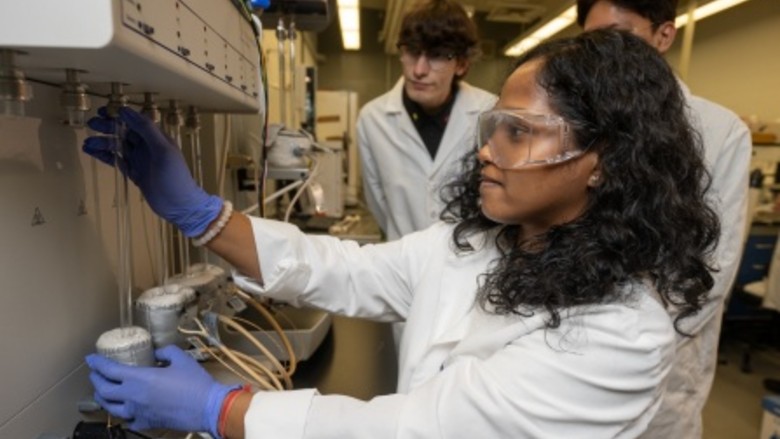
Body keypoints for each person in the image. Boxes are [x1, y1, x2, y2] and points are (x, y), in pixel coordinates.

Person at [83, 30, 720, 438]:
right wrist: (201, 215)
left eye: (519, 131)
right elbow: (345, 269)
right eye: (494, 125)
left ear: (605, 156)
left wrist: (221, 411)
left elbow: (415, 430)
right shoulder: (480, 241)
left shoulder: (619, 330)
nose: (489, 150)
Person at [576, 1, 752, 437]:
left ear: (664, 35)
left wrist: (636, 343)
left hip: (665, 360)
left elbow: (714, 266)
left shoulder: (719, 131)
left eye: (621, 35)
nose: (605, 54)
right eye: (592, 39)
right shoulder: (575, 118)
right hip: (572, 348)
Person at [356, 0, 497, 241]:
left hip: (468, 265)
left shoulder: (489, 112)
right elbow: (379, 205)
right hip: (403, 266)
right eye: (411, 51)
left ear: (461, 64)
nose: (419, 70)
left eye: (437, 56)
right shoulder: (373, 119)